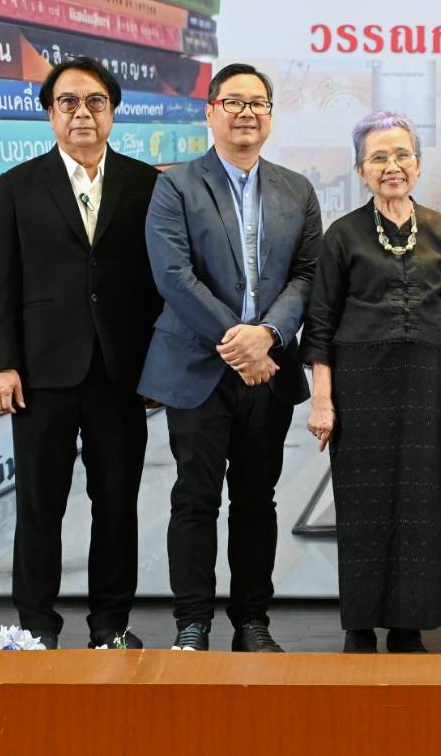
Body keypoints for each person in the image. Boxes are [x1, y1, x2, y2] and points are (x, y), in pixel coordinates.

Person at [140, 63, 322, 653]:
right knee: (195, 499)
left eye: (258, 103)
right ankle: (192, 624)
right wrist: (238, 340)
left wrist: (267, 334)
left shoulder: (297, 189)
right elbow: (173, 274)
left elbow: (307, 274)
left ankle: (252, 623)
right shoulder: (176, 185)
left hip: (268, 371)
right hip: (197, 367)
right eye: (234, 102)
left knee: (256, 500)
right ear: (210, 111)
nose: (247, 112)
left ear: (270, 115)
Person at [0, 56, 163, 650]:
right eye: (68, 102)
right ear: (50, 113)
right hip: (41, 372)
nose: (82, 113)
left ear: (112, 112)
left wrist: (157, 367)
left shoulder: (146, 184)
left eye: (94, 102)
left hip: (121, 372)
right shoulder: (18, 184)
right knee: (40, 506)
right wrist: (2, 363)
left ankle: (110, 625)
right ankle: (35, 625)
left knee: (117, 504)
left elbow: (159, 283)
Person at [302, 112, 441, 654]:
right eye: (378, 157)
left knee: (421, 508)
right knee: (363, 506)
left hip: (427, 385)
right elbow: (321, 324)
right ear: (361, 170)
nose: (392, 166)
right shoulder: (343, 234)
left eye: (402, 154)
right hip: (359, 384)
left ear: (419, 164)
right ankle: (360, 625)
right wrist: (322, 400)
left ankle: (409, 625)